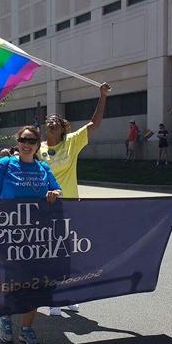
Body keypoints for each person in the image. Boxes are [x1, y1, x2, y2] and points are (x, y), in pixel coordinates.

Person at [0, 126, 62, 344]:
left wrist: (54, 194)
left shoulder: (43, 168)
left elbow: (57, 191)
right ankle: (6, 318)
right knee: (11, 280)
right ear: (18, 143)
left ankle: (26, 328)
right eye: (23, 139)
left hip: (38, 237)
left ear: (38, 144)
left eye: (32, 140)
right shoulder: (6, 164)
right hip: (10, 235)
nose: (27, 143)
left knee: (35, 283)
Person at [40, 82, 110, 316]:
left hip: (69, 205)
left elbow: (95, 123)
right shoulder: (36, 149)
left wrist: (102, 96)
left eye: (56, 121)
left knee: (68, 252)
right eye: (48, 120)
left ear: (62, 128)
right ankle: (53, 298)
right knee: (51, 253)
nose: (51, 122)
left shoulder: (72, 141)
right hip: (45, 207)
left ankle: (67, 293)